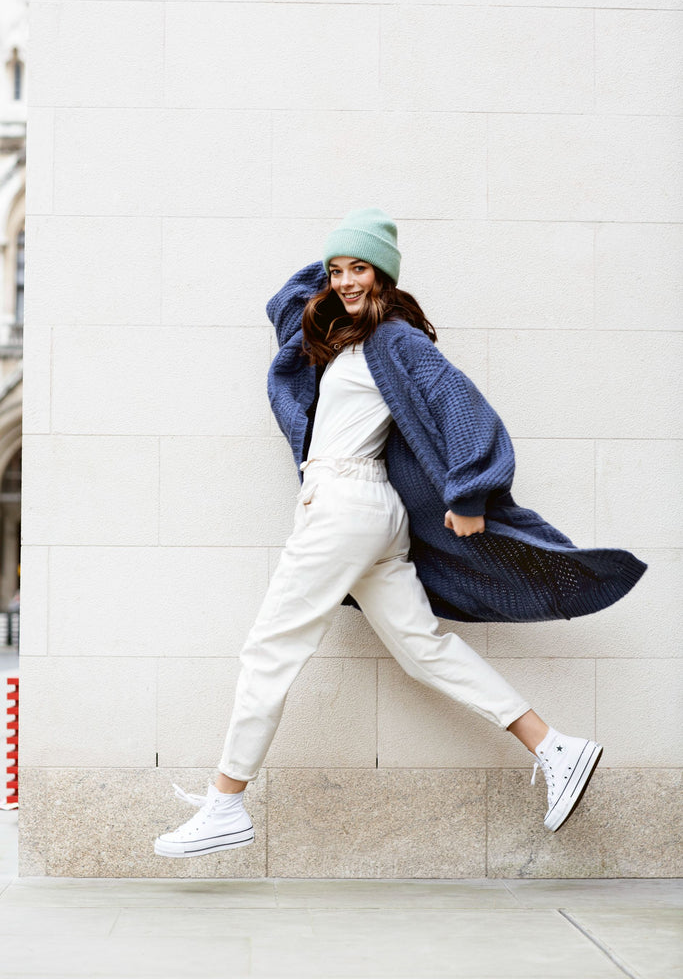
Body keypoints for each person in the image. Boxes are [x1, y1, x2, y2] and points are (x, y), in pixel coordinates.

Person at [154, 209, 646, 858]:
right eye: (336, 270)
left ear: (384, 274)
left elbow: (462, 405)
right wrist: (338, 273)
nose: (344, 281)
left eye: (358, 268)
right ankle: (555, 747)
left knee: (268, 651)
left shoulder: (396, 340)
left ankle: (225, 804)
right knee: (423, 649)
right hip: (364, 514)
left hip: (344, 508)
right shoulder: (349, 341)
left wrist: (468, 490)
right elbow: (288, 301)